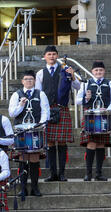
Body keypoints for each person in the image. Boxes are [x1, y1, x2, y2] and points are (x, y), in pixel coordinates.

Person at [35, 45, 80, 182]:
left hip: (62, 108)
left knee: (61, 143)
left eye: (54, 54)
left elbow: (78, 87)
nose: (52, 56)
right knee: (49, 143)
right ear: (44, 57)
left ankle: (62, 174)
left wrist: (72, 76)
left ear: (57, 56)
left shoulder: (65, 70)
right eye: (49, 54)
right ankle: (52, 174)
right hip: (48, 109)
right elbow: (38, 93)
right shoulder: (40, 73)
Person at [9, 70, 50, 197]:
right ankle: (23, 188)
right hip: (22, 132)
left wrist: (41, 125)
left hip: (36, 131)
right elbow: (12, 113)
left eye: (31, 79)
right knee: (22, 159)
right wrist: (21, 105)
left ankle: (35, 187)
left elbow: (45, 111)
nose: (28, 81)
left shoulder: (40, 94)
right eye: (26, 79)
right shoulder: (16, 95)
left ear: (34, 81)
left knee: (34, 159)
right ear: (22, 81)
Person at [76, 61, 111, 181]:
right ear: (92, 71)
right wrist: (86, 98)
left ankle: (98, 173)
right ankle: (88, 173)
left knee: (101, 144)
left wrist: (108, 110)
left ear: (104, 71)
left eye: (100, 70)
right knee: (91, 144)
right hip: (90, 117)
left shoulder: (110, 83)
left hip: (104, 116)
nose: (98, 72)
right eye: (96, 70)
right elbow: (78, 100)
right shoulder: (86, 84)